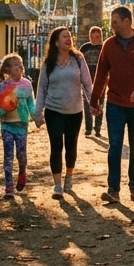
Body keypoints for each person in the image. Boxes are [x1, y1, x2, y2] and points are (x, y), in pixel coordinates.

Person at [90, 6, 134, 203]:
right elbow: (101, 74)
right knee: (115, 145)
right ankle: (113, 189)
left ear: (127, 22)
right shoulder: (109, 45)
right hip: (115, 102)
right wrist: (95, 100)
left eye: (115, 22)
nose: (112, 25)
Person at [33, 27, 93, 199]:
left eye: (69, 36)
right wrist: (38, 113)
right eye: (64, 36)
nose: (69, 39)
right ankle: (57, 185)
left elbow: (87, 84)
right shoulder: (48, 63)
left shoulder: (78, 59)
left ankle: (69, 176)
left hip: (75, 111)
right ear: (56, 42)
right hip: (54, 110)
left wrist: (94, 103)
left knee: (71, 146)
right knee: (56, 145)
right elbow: (42, 88)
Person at [0, 54, 35, 198]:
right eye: (15, 64)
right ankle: (8, 187)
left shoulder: (27, 84)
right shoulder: (2, 86)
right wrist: (0, 110)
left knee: (21, 155)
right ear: (7, 70)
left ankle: (22, 172)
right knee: (8, 156)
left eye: (20, 64)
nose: (19, 67)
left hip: (21, 125)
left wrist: (37, 117)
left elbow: (31, 104)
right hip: (7, 125)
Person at [79, 25, 104, 137]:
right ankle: (88, 128)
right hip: (87, 78)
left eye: (97, 37)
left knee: (100, 103)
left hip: (100, 79)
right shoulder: (84, 48)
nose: (95, 39)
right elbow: (79, 63)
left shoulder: (103, 48)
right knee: (87, 103)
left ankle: (97, 127)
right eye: (93, 37)